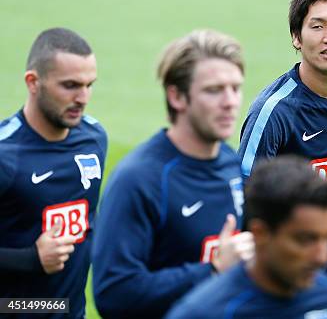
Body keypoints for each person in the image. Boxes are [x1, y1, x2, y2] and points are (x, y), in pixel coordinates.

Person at [92, 29, 254, 318]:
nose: (230, 101)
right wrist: (214, 269)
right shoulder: (139, 179)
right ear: (177, 96)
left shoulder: (231, 164)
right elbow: (113, 293)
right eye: (214, 90)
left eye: (235, 88)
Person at [238, 0, 327, 318]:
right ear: (296, 37)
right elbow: (245, 199)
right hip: (284, 288)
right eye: (318, 26)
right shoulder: (274, 112)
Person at [0, 28, 106, 318]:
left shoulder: (95, 138)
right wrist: (30, 260)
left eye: (89, 85)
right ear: (33, 82)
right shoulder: (5, 156)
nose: (82, 97)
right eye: (70, 85)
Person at [167, 156, 327, 319]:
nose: (323, 258)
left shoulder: (325, 293)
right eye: (305, 240)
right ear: (260, 233)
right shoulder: (204, 313)